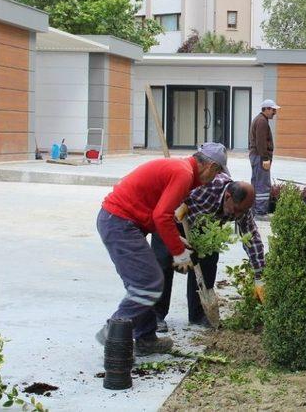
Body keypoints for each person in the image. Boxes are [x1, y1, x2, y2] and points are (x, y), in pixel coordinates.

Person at [95, 143, 226, 355]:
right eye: (217, 172)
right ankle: (115, 329)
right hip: (119, 221)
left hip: (124, 222)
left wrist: (177, 240)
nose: (215, 178)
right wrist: (180, 253)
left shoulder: (183, 171)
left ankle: (146, 339)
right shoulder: (183, 173)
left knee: (146, 281)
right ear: (210, 166)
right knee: (149, 282)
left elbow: (154, 210)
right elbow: (162, 216)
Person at [151, 176, 266, 329]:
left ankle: (198, 314)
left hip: (203, 229)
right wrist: (177, 205)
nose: (238, 215)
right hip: (173, 220)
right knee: (163, 262)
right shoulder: (207, 184)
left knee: (209, 260)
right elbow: (176, 186)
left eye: (242, 212)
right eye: (237, 210)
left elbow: (251, 237)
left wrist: (259, 275)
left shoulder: (241, 209)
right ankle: (156, 315)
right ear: (228, 196)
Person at [249, 99, 280, 219]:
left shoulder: (260, 119)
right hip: (260, 157)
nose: (274, 112)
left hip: (256, 156)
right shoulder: (262, 121)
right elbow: (260, 142)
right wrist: (265, 158)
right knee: (263, 185)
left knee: (256, 184)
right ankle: (260, 213)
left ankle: (254, 211)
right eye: (273, 110)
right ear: (266, 109)